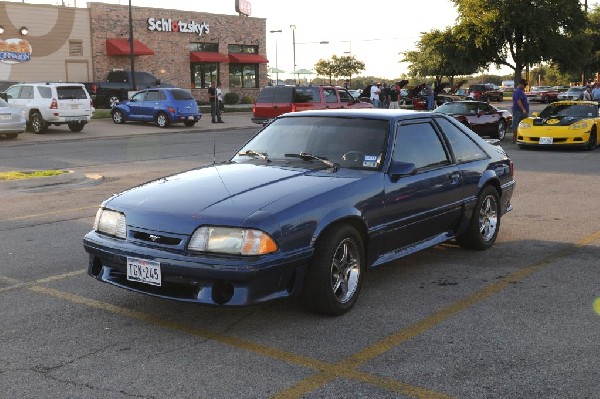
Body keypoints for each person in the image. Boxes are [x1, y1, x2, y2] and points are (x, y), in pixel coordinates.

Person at [511, 78, 529, 143]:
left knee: (524, 125)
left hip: (522, 111)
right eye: (524, 85)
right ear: (520, 84)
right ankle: (514, 139)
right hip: (518, 111)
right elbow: (518, 101)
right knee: (516, 124)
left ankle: (522, 137)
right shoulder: (518, 91)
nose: (525, 86)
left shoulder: (521, 91)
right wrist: (523, 109)